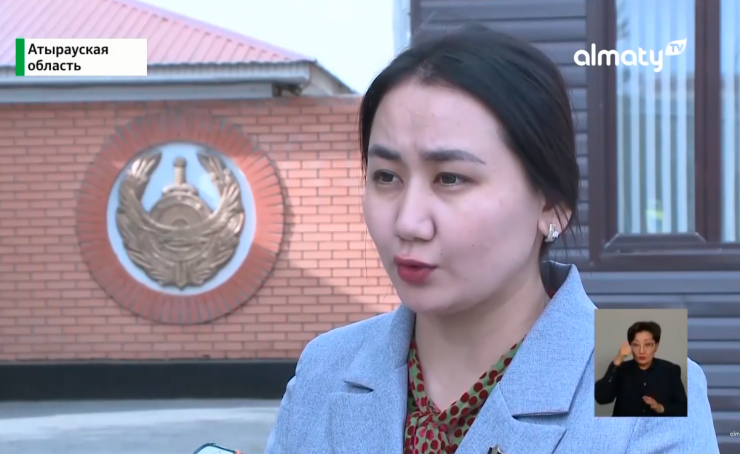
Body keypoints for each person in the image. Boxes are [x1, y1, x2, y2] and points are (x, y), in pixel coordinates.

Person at [264, 25, 719, 454]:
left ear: (552, 205)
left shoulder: (645, 374)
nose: (408, 221)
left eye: (450, 178)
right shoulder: (327, 367)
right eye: (386, 176)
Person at [595, 321, 688, 417]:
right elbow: (602, 398)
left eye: (647, 344)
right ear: (630, 346)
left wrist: (662, 408)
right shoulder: (620, 369)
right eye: (636, 345)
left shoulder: (670, 370)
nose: (642, 351)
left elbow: (684, 407)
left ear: (656, 346)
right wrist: (618, 358)